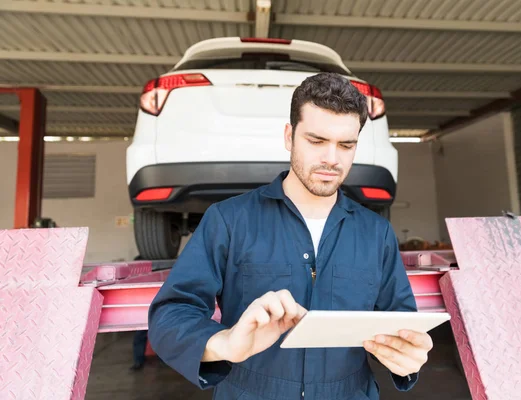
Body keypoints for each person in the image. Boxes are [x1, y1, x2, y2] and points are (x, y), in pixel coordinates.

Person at [148, 72, 433, 399]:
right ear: (289, 136)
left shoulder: (376, 232)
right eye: (316, 141)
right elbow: (171, 315)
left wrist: (407, 357)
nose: (331, 158)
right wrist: (223, 343)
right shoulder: (229, 220)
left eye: (346, 145)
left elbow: (401, 319)